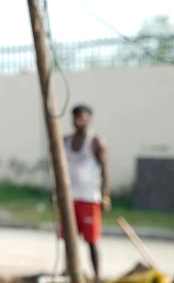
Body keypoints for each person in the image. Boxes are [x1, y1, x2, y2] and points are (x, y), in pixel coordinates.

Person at [63, 104, 111, 282]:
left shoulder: (96, 141)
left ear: (89, 119)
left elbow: (105, 170)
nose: (79, 122)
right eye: (76, 118)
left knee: (92, 240)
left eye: (83, 118)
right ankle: (71, 273)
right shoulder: (66, 141)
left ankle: (97, 277)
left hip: (89, 198)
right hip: (69, 198)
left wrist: (105, 196)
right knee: (69, 238)